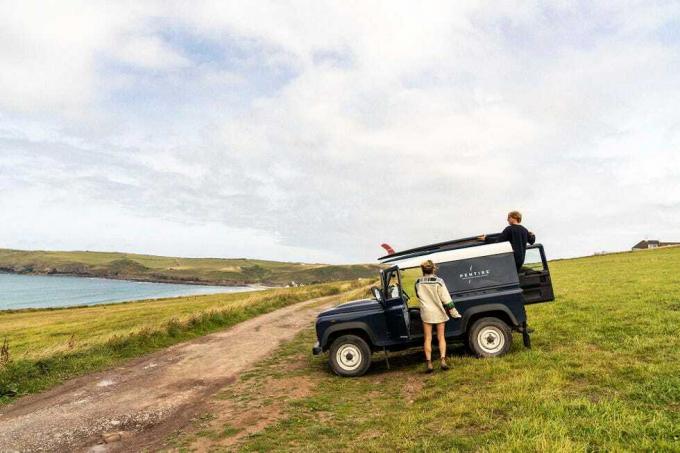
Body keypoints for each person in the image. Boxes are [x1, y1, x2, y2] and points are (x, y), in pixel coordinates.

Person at [414, 260, 461, 373]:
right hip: (438, 312)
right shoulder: (439, 281)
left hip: (426, 313)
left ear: (423, 269)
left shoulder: (418, 282)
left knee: (428, 338)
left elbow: (417, 295)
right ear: (433, 268)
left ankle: (429, 363)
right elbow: (446, 299)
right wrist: (454, 313)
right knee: (441, 337)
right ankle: (443, 361)